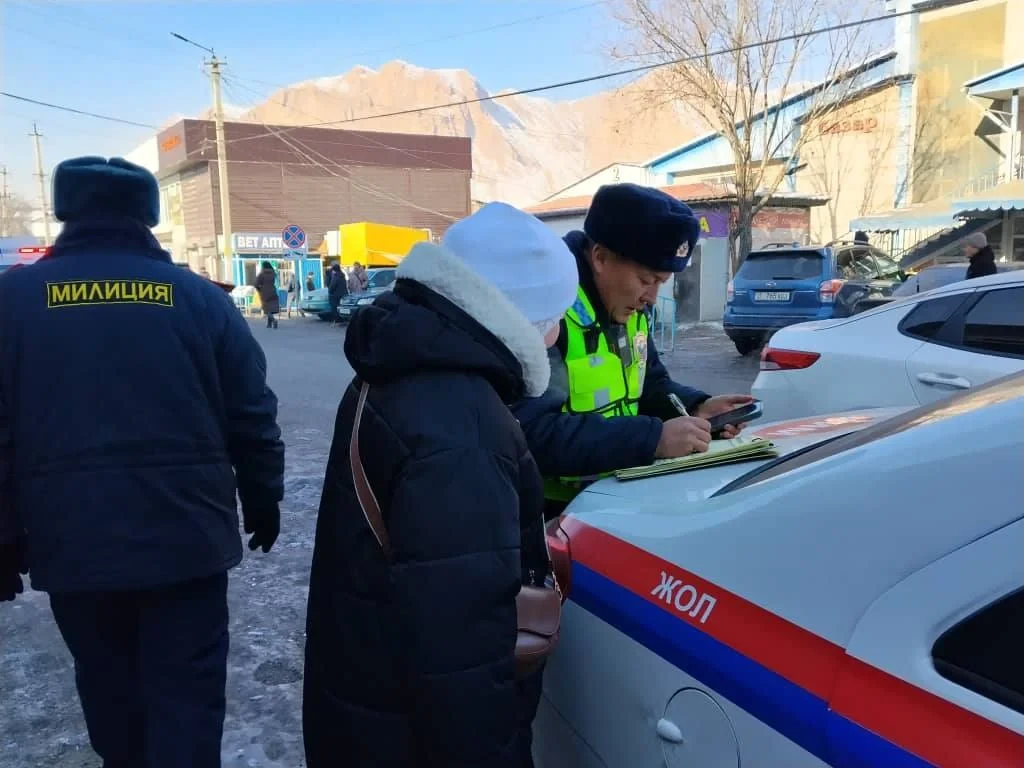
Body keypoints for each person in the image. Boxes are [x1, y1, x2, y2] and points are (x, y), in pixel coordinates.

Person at [0, 156, 285, 767]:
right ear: (149, 214)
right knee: (188, 698)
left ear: (65, 209)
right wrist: (263, 497)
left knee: (109, 689)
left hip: (72, 542)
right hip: (187, 541)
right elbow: (252, 415)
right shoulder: (200, 299)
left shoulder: (12, 301)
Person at [302, 202, 578, 768]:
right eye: (555, 315)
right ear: (519, 313)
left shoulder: (403, 367)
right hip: (407, 737)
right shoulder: (463, 429)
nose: (556, 334)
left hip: (365, 699)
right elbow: (463, 655)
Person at [512, 183, 753, 517]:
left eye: (661, 283)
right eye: (645, 280)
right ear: (600, 258)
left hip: (615, 501)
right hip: (554, 516)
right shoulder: (549, 314)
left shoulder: (629, 308)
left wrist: (696, 408)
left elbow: (650, 384)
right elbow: (534, 433)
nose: (651, 298)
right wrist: (652, 439)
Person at [255, 260, 280, 328]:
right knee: (271, 308)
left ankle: (273, 320)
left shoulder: (261, 274)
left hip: (264, 293)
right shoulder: (273, 273)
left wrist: (259, 290)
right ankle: (269, 324)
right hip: (273, 291)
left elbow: (256, 284)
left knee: (266, 309)